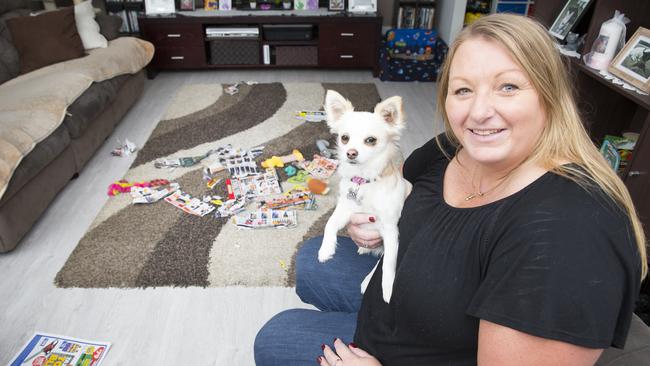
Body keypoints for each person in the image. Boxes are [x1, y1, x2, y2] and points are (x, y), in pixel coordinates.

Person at [254, 13, 648, 366]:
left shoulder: (570, 230)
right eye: (463, 90)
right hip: (411, 305)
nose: (478, 112)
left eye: (508, 87)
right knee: (311, 259)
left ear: (550, 95)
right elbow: (391, 187)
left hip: (415, 350)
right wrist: (374, 221)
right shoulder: (452, 148)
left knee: (275, 338)